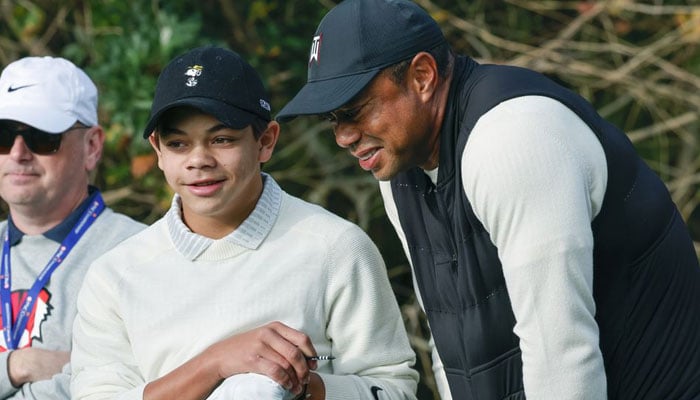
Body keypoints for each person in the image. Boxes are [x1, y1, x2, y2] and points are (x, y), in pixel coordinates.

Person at [275, 0, 700, 399]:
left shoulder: (512, 138)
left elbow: (562, 357)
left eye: (355, 110)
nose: (344, 137)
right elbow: (449, 342)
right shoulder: (399, 166)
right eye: (333, 119)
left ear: (422, 77)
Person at [70, 46, 419, 400]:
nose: (199, 160)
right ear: (157, 150)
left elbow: (393, 389)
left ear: (265, 141)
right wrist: (215, 363)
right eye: (178, 144)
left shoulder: (335, 248)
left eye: (221, 139)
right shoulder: (115, 276)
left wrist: (296, 386)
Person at [0, 56, 145, 399]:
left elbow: (135, 385)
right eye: (3, 136)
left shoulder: (140, 253)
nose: (18, 153)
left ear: (92, 146)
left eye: (41, 137)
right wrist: (18, 365)